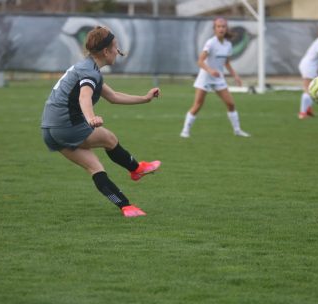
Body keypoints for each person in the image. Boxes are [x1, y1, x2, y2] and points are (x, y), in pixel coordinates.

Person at [41, 26, 161, 218]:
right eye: (116, 47)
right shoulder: (90, 72)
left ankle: (126, 207)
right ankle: (136, 169)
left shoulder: (87, 67)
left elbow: (112, 96)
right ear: (106, 51)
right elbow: (84, 97)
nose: (118, 51)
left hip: (49, 130)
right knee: (109, 138)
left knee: (95, 167)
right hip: (65, 126)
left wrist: (144, 98)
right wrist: (91, 118)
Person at [180, 17, 250, 138]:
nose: (221, 29)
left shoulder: (228, 44)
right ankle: (185, 131)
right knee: (197, 105)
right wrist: (210, 70)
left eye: (223, 26)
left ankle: (237, 130)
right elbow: (200, 61)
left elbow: (226, 63)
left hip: (218, 78)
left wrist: (235, 76)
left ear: (226, 28)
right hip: (206, 77)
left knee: (231, 104)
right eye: (218, 26)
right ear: (214, 29)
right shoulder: (210, 43)